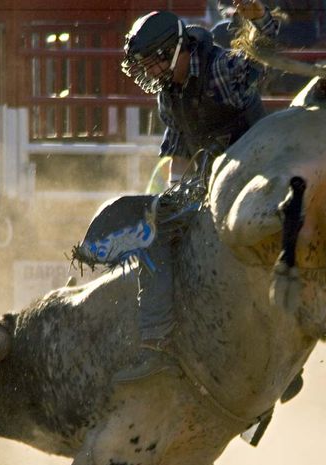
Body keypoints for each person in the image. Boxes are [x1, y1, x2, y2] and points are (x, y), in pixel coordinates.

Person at [115, 1, 278, 382]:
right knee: (155, 231)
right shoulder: (168, 92)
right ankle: (157, 341)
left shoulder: (220, 68)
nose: (149, 72)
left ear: (173, 51)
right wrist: (171, 200)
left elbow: (261, 58)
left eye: (152, 63)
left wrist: (258, 18)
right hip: (208, 181)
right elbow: (179, 149)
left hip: (251, 174)